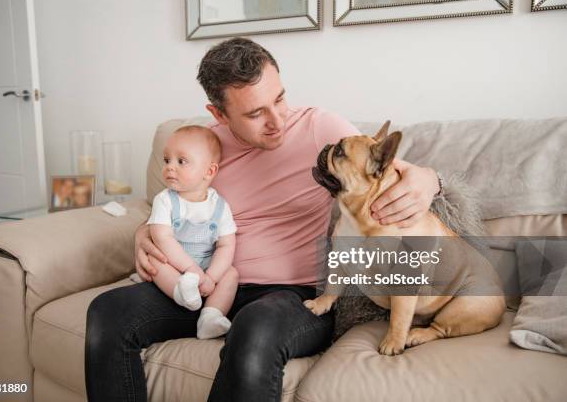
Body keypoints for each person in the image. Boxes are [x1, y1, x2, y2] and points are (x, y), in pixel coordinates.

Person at [85, 37, 440, 402]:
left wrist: (432, 181)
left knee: (253, 328)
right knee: (107, 311)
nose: (277, 121)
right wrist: (144, 232)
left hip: (295, 296)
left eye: (280, 99)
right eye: (255, 114)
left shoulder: (322, 129)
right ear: (219, 114)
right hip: (211, 284)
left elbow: (390, 171)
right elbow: (171, 206)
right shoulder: (206, 148)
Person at [147, 125, 238, 340]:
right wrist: (190, 270)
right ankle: (181, 293)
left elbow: (226, 245)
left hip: (206, 265)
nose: (170, 167)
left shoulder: (219, 206)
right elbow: (162, 238)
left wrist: (212, 277)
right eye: (167, 160)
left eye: (181, 161)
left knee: (231, 274)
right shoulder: (165, 200)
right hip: (174, 263)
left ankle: (210, 316)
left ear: (209, 171)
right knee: (154, 261)